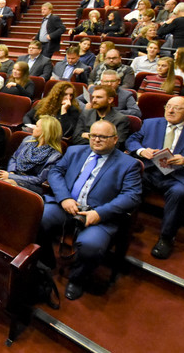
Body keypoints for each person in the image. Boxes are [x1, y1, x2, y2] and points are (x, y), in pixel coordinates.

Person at [38, 120, 142, 300]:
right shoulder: (74, 151)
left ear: (115, 139)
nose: (97, 140)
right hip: (67, 206)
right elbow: (55, 172)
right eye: (93, 136)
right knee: (37, 219)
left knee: (91, 246)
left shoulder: (129, 164)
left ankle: (77, 279)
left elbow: (132, 196)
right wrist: (64, 198)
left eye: (103, 137)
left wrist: (100, 213)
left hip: (98, 214)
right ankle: (46, 262)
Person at [126, 96, 184, 259]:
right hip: (150, 171)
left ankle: (166, 237)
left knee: (179, 193)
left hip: (178, 176)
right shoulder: (150, 124)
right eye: (168, 106)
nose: (170, 111)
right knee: (127, 179)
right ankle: (125, 221)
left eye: (177, 108)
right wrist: (141, 151)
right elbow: (132, 140)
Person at [0, 116, 64, 194]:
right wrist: (11, 172)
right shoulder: (27, 140)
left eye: (37, 126)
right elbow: (14, 158)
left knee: (6, 184)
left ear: (45, 131)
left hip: (32, 184)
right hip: (13, 173)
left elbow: (39, 180)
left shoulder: (55, 156)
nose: (33, 127)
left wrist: (11, 177)